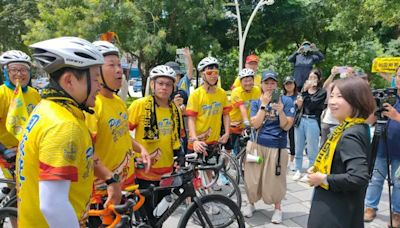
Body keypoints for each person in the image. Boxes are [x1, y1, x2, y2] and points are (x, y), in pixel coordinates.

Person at [17, 37, 122, 228]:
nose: (100, 85)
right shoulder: (64, 126)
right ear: (69, 80)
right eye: (96, 78)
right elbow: (52, 205)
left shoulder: (48, 108)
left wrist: (110, 179)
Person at [87, 41, 150, 227]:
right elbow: (87, 150)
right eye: (111, 65)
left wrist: (141, 149)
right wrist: (109, 180)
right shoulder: (93, 104)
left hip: (125, 185)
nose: (118, 71)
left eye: (119, 65)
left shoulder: (118, 101)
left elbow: (123, 135)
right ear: (96, 70)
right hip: (103, 192)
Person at [307, 77, 375, 228]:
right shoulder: (355, 126)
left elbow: (358, 177)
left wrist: (323, 178)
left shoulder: (350, 134)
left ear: (356, 100)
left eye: (340, 96)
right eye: (331, 96)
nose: (332, 102)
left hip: (336, 211)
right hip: (344, 207)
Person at [127, 65, 184, 225]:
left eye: (168, 84)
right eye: (160, 83)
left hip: (166, 173)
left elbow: (175, 138)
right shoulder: (139, 105)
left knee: (160, 217)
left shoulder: (175, 110)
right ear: (152, 84)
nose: (164, 87)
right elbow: (123, 135)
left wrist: (180, 154)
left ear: (173, 87)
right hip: (144, 172)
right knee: (146, 219)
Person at [243, 70, 295, 224]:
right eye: (267, 83)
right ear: (262, 85)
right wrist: (264, 105)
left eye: (273, 83)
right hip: (255, 146)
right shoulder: (256, 102)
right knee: (252, 176)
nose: (270, 86)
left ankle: (277, 208)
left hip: (276, 148)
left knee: (275, 179)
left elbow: (286, 127)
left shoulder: (286, 101)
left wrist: (280, 112)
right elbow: (255, 124)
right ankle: (250, 203)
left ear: (277, 85)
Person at [364, 66, 400, 227]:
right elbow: (370, 120)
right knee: (376, 178)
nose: (399, 79)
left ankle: (397, 213)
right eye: (398, 75)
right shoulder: (385, 96)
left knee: (399, 182)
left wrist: (396, 116)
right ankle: (370, 207)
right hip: (381, 145)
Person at [0, 50, 41, 179]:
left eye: (24, 70)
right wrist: (4, 150)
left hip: (31, 153)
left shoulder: (34, 93)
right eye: (14, 70)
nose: (19, 74)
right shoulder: (2, 94)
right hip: (7, 156)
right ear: (6, 72)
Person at [292, 69, 326, 182]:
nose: (311, 80)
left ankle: (311, 171)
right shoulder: (304, 90)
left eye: (314, 78)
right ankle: (297, 169)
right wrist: (301, 97)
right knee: (298, 146)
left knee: (312, 148)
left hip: (312, 121)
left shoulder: (322, 92)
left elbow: (312, 105)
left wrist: (305, 93)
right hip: (301, 120)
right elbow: (299, 105)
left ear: (319, 79)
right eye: (310, 77)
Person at [227, 68, 261, 155]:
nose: (248, 83)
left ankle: (244, 167)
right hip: (234, 124)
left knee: (247, 150)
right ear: (240, 82)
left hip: (248, 125)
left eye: (250, 80)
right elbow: (242, 108)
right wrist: (246, 123)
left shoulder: (257, 90)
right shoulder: (236, 91)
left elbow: (260, 106)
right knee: (229, 150)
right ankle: (225, 167)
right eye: (245, 81)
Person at [282, 76, 298, 171]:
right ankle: (282, 160)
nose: (289, 85)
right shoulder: (281, 96)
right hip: (282, 120)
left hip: (294, 122)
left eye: (291, 83)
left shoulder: (298, 96)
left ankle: (292, 162)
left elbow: (300, 107)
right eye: (287, 84)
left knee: (293, 141)